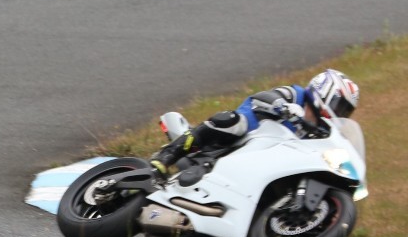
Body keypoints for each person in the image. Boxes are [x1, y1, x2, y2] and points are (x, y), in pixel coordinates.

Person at [150, 68, 360, 175]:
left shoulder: (320, 132)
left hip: (264, 160)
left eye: (345, 111)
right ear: (324, 90)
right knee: (232, 121)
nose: (340, 113)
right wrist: (282, 106)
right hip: (248, 133)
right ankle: (168, 155)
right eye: (339, 105)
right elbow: (264, 96)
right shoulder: (296, 94)